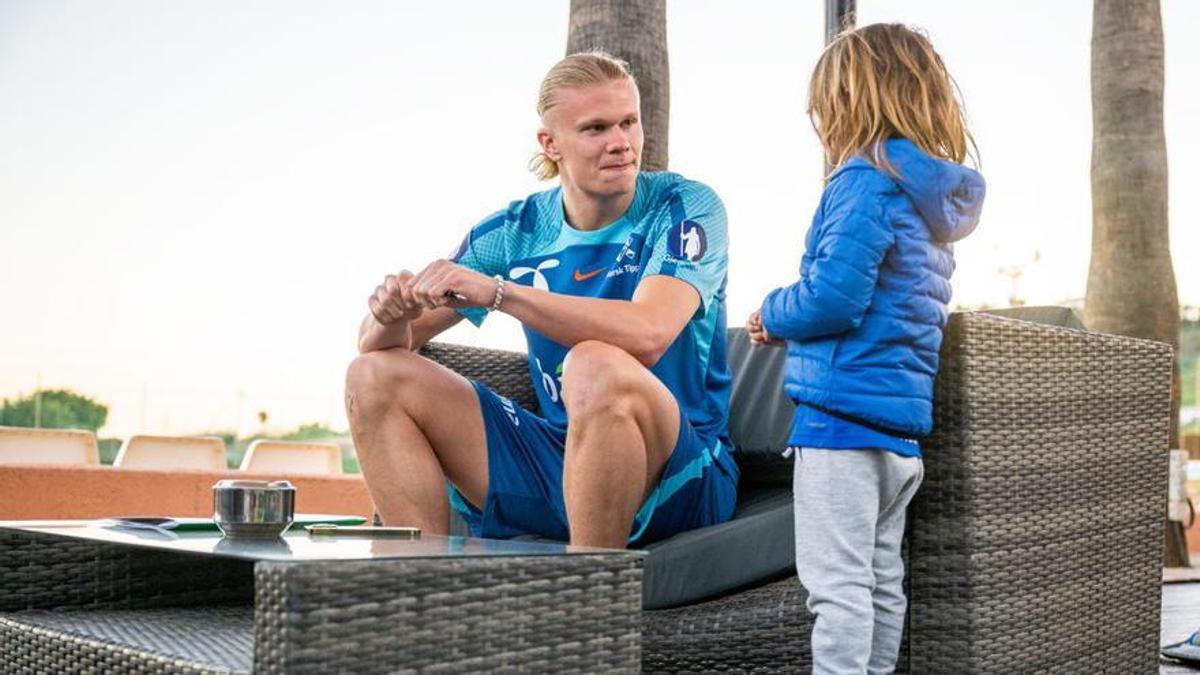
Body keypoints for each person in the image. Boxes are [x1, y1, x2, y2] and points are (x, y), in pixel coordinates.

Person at [345, 51, 739, 550]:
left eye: (628, 122)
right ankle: (418, 594)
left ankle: (588, 595)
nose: (621, 143)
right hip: (561, 458)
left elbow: (649, 333)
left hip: (680, 473)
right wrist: (391, 315)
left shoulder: (685, 206)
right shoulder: (516, 230)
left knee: (594, 364)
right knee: (372, 376)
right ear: (550, 144)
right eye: (596, 129)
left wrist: (499, 294)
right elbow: (376, 344)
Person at [747, 24, 985, 674]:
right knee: (881, 582)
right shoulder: (927, 205)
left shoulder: (860, 183)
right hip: (899, 436)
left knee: (838, 588)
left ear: (852, 103)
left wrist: (772, 312)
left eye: (826, 108)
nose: (822, 125)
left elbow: (833, 297)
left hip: (840, 427)